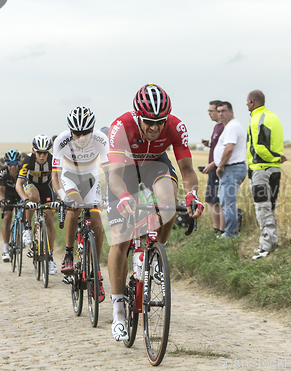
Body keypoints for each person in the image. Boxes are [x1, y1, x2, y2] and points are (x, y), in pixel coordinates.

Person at [106, 84, 204, 341]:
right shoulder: (121, 126)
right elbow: (114, 176)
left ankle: (154, 253)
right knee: (120, 237)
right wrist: (125, 196)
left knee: (168, 201)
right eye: (148, 122)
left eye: (160, 122)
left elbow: (187, 170)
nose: (154, 128)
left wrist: (192, 194)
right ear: (138, 117)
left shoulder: (176, 127)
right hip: (125, 168)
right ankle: (117, 311)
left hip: (155, 164)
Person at [51, 106, 109, 295]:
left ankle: (96, 271)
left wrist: (108, 196)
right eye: (76, 133)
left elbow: (109, 172)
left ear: (93, 130)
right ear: (70, 131)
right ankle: (68, 254)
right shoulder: (62, 140)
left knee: (97, 222)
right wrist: (63, 197)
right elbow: (55, 177)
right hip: (69, 177)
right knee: (74, 207)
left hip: (91, 177)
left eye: (85, 133)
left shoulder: (101, 139)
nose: (81, 137)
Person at [246, 90, 286, 259]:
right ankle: (269, 243)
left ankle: (267, 246)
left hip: (261, 170)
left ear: (253, 102)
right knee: (270, 207)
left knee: (263, 208)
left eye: (247, 102)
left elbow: (260, 147)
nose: (246, 105)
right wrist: (277, 158)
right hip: (275, 170)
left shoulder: (256, 119)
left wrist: (274, 157)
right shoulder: (273, 117)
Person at [16, 134, 58, 275]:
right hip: (31, 185)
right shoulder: (28, 160)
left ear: (49, 151)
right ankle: (27, 227)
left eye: (45, 152)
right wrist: (25, 200)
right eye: (39, 152)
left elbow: (58, 181)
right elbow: (19, 184)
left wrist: (60, 198)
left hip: (46, 187)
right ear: (34, 151)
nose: (42, 156)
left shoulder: (52, 160)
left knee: (49, 219)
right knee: (33, 197)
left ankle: (50, 257)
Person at [213, 101, 247, 239]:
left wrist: (220, 165)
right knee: (226, 201)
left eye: (224, 111)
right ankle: (230, 232)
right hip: (233, 168)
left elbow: (229, 148)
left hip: (231, 169)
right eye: (219, 111)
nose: (221, 114)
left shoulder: (232, 127)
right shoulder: (231, 126)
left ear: (231, 111)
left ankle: (231, 234)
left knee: (228, 203)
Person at [200, 100, 225, 234]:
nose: (209, 114)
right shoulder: (216, 127)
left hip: (217, 169)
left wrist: (212, 165)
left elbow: (225, 151)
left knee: (216, 200)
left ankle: (220, 231)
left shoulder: (223, 128)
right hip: (213, 168)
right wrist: (209, 144)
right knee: (211, 200)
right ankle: (216, 230)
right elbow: (218, 147)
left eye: (211, 111)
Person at [0, 150, 22, 262]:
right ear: (6, 164)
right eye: (10, 164)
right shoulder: (3, 172)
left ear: (19, 163)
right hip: (8, 194)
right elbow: (1, 191)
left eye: (15, 164)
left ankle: (24, 232)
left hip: (20, 193)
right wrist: (2, 200)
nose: (13, 167)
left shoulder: (23, 170)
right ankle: (6, 249)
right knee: (7, 217)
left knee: (26, 212)